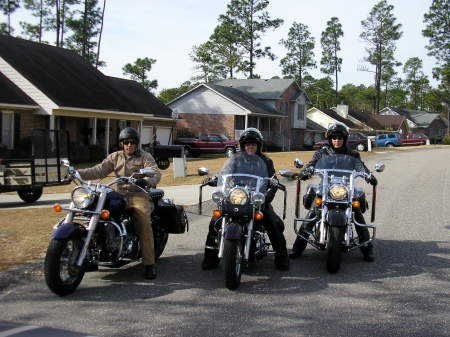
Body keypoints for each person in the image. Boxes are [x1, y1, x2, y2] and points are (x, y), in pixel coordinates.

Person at [77, 127, 161, 279]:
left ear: (137, 144)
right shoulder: (115, 156)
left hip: (138, 194)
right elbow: (98, 170)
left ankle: (149, 264)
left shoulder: (145, 156)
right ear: (122, 143)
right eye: (126, 142)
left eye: (133, 142)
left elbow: (155, 172)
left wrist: (146, 180)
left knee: (143, 223)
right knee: (96, 213)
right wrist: (76, 173)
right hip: (119, 194)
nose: (130, 145)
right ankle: (93, 253)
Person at [201, 128, 290, 271]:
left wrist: (268, 194)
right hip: (236, 196)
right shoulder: (235, 160)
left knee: (272, 223)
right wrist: (214, 179)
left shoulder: (266, 161)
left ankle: (282, 258)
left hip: (256, 199)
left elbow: (273, 180)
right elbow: (225, 174)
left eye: (253, 144)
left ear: (258, 146)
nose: (250, 147)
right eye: (248, 144)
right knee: (215, 222)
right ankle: (210, 258)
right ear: (242, 146)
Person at [289, 123, 378, 262]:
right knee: (312, 214)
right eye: (334, 138)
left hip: (345, 188)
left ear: (344, 139)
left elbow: (360, 166)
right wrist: (306, 171)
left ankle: (367, 248)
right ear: (330, 139)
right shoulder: (322, 152)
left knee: (357, 214)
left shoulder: (352, 153)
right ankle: (297, 248)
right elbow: (312, 164)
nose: (337, 140)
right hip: (326, 187)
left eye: (340, 138)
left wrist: (368, 175)